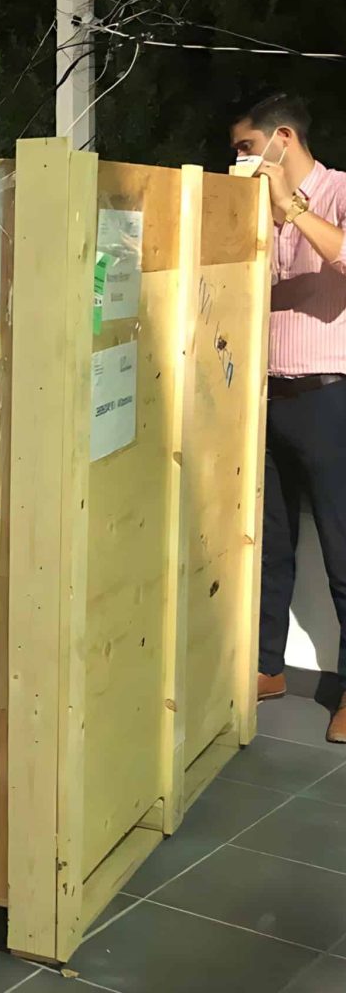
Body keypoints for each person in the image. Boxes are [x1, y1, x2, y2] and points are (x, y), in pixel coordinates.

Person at [230, 91, 346, 743]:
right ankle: (264, 666)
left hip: (331, 396)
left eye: (246, 147)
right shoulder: (253, 212)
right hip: (264, 397)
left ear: (282, 139)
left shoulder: (335, 193)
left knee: (343, 546)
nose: (239, 159)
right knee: (267, 544)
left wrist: (291, 208)